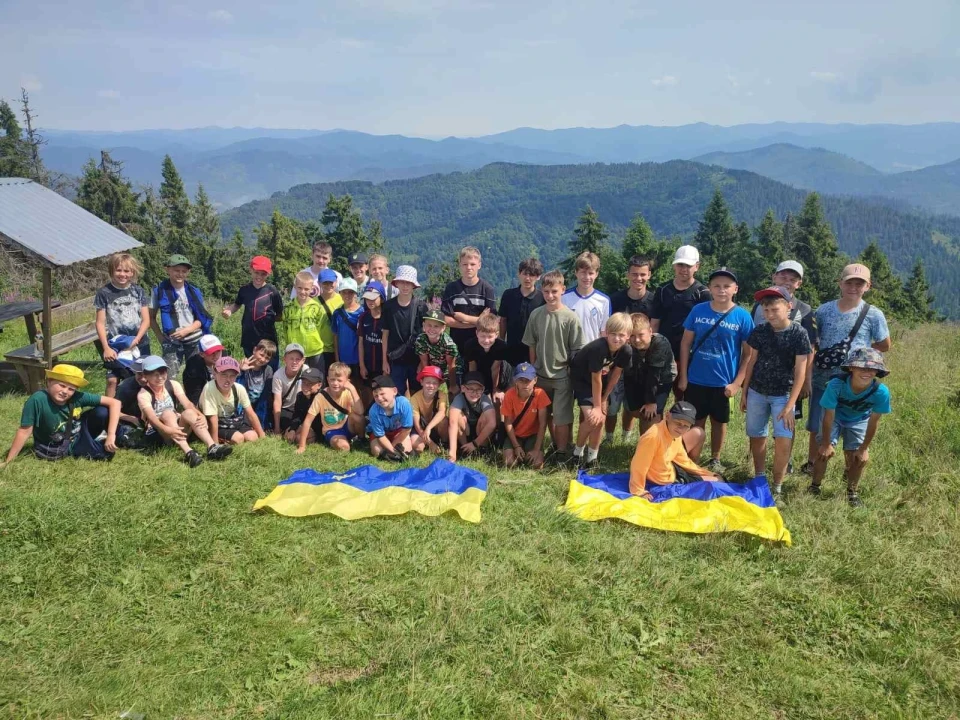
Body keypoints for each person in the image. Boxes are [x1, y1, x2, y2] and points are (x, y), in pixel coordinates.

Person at [805, 263, 891, 474]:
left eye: (859, 283)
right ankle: (813, 465)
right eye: (849, 282)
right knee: (818, 422)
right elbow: (814, 343)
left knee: (853, 423)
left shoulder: (873, 314)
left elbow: (885, 344)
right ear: (840, 283)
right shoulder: (823, 310)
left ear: (868, 286)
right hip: (822, 377)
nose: (853, 287)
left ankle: (849, 470)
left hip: (855, 381)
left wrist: (861, 355)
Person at [677, 268, 754, 470]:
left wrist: (737, 383)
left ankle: (715, 459)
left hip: (724, 382)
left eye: (726, 286)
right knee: (695, 421)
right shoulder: (698, 311)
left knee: (719, 422)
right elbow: (685, 344)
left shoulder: (742, 317)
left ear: (735, 289)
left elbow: (748, 354)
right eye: (717, 286)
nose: (721, 290)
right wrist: (683, 376)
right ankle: (691, 459)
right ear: (709, 288)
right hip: (696, 378)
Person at [739, 286, 812, 497]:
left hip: (784, 395)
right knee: (757, 435)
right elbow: (751, 361)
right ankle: (760, 477)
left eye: (774, 309)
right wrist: (744, 392)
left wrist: (790, 406)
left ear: (788, 307)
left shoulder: (799, 333)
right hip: (756, 392)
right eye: (766, 310)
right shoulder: (760, 330)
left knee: (783, 439)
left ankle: (777, 485)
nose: (770, 314)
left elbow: (800, 372)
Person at [749, 260, 818, 473]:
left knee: (788, 422)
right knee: (758, 426)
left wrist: (806, 380)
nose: (787, 282)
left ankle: (785, 463)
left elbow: (811, 348)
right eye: (783, 277)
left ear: (799, 283)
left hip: (790, 381)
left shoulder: (806, 310)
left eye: (792, 279)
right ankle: (759, 465)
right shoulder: (758, 306)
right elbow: (754, 344)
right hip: (761, 380)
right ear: (774, 277)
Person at [811, 348, 892, 507]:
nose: (866, 372)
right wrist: (827, 444)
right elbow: (828, 415)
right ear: (851, 368)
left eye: (871, 368)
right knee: (823, 453)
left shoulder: (881, 392)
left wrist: (864, 448)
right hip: (835, 417)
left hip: (859, 419)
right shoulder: (836, 384)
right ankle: (814, 486)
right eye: (861, 367)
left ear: (877, 371)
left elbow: (874, 421)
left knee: (857, 457)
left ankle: (852, 492)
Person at [522, 269, 585, 465]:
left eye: (554, 291)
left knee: (562, 416)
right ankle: (553, 443)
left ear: (563, 290)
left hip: (562, 376)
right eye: (547, 291)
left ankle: (561, 452)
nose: (550, 296)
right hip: (540, 374)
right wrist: (533, 368)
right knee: (544, 413)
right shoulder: (536, 315)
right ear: (542, 291)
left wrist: (569, 370)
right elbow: (531, 343)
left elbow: (577, 349)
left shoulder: (570, 317)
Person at [2, 364, 119, 466]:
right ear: (49, 382)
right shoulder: (37, 400)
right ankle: (100, 440)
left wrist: (111, 434)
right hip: (60, 445)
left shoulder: (76, 397)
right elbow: (24, 431)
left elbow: (115, 403)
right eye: (61, 385)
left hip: (78, 433)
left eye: (71, 389)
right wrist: (8, 461)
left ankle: (114, 434)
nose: (65, 391)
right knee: (106, 454)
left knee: (102, 411)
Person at [136, 355, 232, 466]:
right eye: (154, 375)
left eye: (162, 373)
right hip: (158, 431)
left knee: (189, 412)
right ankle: (189, 453)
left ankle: (212, 447)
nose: (160, 378)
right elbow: (152, 418)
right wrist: (167, 430)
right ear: (146, 376)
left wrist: (200, 415)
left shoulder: (173, 384)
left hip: (176, 428)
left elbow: (187, 404)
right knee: (168, 414)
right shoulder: (143, 394)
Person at [569, 312, 633, 468]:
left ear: (628, 337)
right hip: (582, 380)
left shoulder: (626, 351)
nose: (616, 338)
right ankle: (577, 454)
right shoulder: (599, 348)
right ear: (606, 333)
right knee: (593, 417)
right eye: (613, 334)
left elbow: (616, 374)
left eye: (621, 335)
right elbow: (595, 379)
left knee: (601, 419)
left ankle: (592, 458)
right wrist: (597, 406)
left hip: (601, 381)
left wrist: (604, 399)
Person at [605, 255, 656, 441]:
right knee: (612, 401)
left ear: (649, 275)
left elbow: (655, 331)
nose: (638, 278)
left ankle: (626, 436)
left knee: (632, 402)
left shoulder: (654, 300)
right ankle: (608, 437)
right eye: (634, 274)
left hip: (642, 360)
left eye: (643, 274)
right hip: (617, 358)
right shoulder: (616, 299)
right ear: (628, 275)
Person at [628, 401, 720, 498]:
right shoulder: (653, 436)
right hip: (663, 480)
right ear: (667, 416)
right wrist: (639, 491)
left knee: (717, 479)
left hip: (672, 470)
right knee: (717, 483)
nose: (681, 428)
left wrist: (710, 473)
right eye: (678, 423)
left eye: (686, 426)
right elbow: (639, 465)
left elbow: (684, 460)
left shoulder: (675, 433)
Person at [94, 252, 151, 397]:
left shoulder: (138, 291)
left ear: (133, 272)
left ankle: (140, 409)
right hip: (115, 343)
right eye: (118, 270)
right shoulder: (104, 293)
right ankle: (108, 410)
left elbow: (146, 320)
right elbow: (100, 323)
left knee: (142, 378)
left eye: (127, 271)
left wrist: (136, 340)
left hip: (140, 341)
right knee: (112, 380)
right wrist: (106, 347)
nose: (122, 274)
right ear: (111, 270)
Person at [149, 254, 213, 377]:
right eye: (176, 270)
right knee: (168, 375)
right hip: (171, 340)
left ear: (188, 272)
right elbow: (151, 317)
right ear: (167, 269)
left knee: (196, 374)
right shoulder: (159, 290)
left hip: (194, 338)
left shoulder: (194, 291)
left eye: (184, 271)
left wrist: (188, 330)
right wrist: (160, 337)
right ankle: (171, 395)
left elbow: (201, 318)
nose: (180, 274)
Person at [649, 245, 711, 368]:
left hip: (691, 353)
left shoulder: (703, 293)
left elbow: (706, 327)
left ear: (697, 266)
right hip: (663, 350)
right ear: (674, 266)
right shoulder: (662, 290)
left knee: (684, 387)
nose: (683, 269)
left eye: (688, 265)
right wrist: (652, 347)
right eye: (680, 265)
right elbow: (655, 323)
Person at [618, 313, 676, 437]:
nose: (637, 340)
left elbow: (653, 375)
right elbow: (628, 374)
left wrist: (651, 402)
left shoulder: (660, 343)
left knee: (649, 414)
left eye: (641, 335)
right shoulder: (627, 346)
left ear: (650, 331)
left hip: (661, 379)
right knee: (633, 410)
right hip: (637, 376)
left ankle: (649, 445)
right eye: (632, 336)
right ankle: (626, 435)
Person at [221, 255, 283, 367]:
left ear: (268, 274)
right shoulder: (244, 290)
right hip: (249, 338)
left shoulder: (272, 291)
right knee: (252, 370)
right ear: (251, 270)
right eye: (256, 272)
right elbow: (237, 304)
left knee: (271, 371)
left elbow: (280, 314)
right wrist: (229, 311)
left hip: (268, 340)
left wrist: (269, 321)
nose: (259, 276)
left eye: (263, 274)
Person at [296, 363, 365, 453]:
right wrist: (302, 446)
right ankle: (344, 441)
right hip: (332, 430)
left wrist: (352, 389)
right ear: (328, 380)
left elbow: (360, 412)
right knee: (344, 447)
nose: (335, 383)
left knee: (359, 418)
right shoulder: (320, 396)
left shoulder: (348, 392)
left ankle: (361, 439)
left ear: (347, 381)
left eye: (339, 380)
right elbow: (308, 421)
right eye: (332, 380)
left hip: (347, 425)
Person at [442, 246, 497, 354]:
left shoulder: (487, 289)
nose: (469, 267)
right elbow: (446, 319)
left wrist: (464, 318)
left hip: (481, 345)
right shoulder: (451, 288)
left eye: (472, 264)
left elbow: (492, 322)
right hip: (456, 345)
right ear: (459, 265)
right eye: (465, 264)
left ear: (479, 265)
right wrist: (478, 321)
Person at [382, 265, 427, 396]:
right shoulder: (388, 306)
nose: (405, 286)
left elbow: (425, 336)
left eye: (409, 283)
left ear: (414, 285)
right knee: (397, 394)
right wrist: (384, 361)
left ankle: (416, 417)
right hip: (395, 359)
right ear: (397, 283)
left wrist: (422, 362)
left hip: (416, 359)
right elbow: (385, 335)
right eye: (402, 282)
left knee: (417, 393)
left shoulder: (421, 306)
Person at [200, 356, 265, 445]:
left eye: (232, 376)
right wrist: (215, 444)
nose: (228, 380)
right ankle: (218, 440)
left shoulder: (239, 388)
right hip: (218, 423)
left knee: (253, 437)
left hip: (233, 420)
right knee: (238, 439)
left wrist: (262, 436)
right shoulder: (209, 388)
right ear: (215, 374)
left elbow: (250, 413)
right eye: (224, 375)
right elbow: (213, 419)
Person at [501, 362, 551, 469]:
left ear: (535, 380)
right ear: (515, 381)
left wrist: (536, 449)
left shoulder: (540, 394)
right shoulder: (509, 395)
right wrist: (516, 446)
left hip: (533, 434)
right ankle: (517, 450)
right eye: (521, 380)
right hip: (515, 434)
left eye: (528, 380)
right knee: (509, 463)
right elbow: (508, 422)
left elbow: (543, 424)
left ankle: (530, 451)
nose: (525, 384)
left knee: (537, 464)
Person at [498, 258, 545, 368]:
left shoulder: (542, 298)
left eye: (532, 275)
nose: (527, 278)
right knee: (511, 382)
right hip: (512, 347)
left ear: (538, 277)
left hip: (534, 349)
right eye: (524, 274)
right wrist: (501, 341)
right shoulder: (508, 295)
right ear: (519, 274)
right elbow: (503, 319)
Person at [562, 251, 611, 344]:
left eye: (591, 273)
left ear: (596, 274)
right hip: (570, 354)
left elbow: (604, 332)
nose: (587, 277)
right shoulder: (564, 298)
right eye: (583, 272)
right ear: (576, 273)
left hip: (594, 353)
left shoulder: (604, 301)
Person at [447, 371, 497, 462]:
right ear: (463, 388)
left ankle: (482, 449)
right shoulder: (459, 398)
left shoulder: (485, 399)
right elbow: (452, 422)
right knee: (458, 417)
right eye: (470, 389)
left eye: (478, 389)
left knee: (487, 417)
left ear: (483, 390)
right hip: (466, 430)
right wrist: (452, 451)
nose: (474, 393)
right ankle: (464, 449)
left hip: (480, 432)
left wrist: (475, 444)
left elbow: (492, 423)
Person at [366, 375, 415, 461]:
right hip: (381, 434)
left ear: (394, 391)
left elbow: (407, 429)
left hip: (399, 431)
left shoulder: (404, 403)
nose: (379, 398)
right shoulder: (373, 411)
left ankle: (392, 452)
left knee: (406, 450)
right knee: (376, 451)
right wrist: (393, 451)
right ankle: (388, 453)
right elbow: (380, 435)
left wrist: (392, 447)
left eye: (382, 394)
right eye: (376, 396)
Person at [283, 271, 325, 371]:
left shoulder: (317, 307)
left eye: (306, 289)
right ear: (295, 287)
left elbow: (321, 327)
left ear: (312, 289)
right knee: (298, 382)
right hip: (296, 352)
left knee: (317, 381)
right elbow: (285, 329)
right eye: (300, 288)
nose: (303, 292)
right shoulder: (288, 308)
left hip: (315, 351)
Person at [462, 311, 508, 402]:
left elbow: (495, 369)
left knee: (504, 367)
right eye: (483, 336)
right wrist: (474, 387)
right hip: (479, 366)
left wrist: (494, 389)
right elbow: (472, 367)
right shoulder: (470, 345)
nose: (486, 340)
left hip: (497, 369)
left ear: (496, 334)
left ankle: (499, 388)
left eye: (490, 336)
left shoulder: (501, 346)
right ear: (477, 333)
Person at [415, 308, 461, 394]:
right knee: (420, 372)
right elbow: (424, 362)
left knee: (454, 391)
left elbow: (451, 365)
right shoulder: (420, 340)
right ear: (424, 326)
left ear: (443, 328)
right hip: (433, 365)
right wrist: (427, 380)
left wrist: (453, 385)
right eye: (429, 325)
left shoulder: (449, 344)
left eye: (436, 326)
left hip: (450, 369)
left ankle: (453, 400)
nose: (432, 329)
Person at [357, 280, 386, 408]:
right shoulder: (363, 317)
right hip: (368, 364)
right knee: (368, 390)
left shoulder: (388, 317)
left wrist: (387, 363)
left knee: (383, 392)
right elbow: (361, 342)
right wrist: (362, 365)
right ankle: (368, 417)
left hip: (383, 364)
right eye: (368, 298)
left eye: (374, 298)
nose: (370, 301)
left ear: (382, 298)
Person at [238, 340, 276, 431]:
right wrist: (242, 371)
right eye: (261, 355)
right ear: (255, 350)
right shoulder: (244, 365)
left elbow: (265, 397)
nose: (263, 359)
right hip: (243, 406)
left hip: (258, 404)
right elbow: (237, 388)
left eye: (267, 358)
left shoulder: (268, 370)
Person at [411, 366, 449, 455]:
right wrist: (431, 444)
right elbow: (417, 425)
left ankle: (444, 444)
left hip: (433, 426)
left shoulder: (442, 395)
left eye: (435, 383)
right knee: (418, 446)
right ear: (421, 382)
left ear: (439, 384)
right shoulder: (414, 398)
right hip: (421, 427)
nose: (431, 386)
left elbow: (442, 412)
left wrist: (428, 428)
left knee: (445, 421)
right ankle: (429, 443)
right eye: (428, 382)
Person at [332, 278, 364, 384]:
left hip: (358, 359)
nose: (347, 295)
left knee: (361, 387)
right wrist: (337, 359)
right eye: (344, 292)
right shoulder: (337, 313)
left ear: (355, 293)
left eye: (350, 292)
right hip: (343, 359)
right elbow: (335, 337)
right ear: (340, 293)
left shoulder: (363, 313)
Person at [284, 367, 324, 444]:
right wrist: (293, 429)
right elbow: (297, 415)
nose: (305, 386)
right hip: (305, 425)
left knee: (299, 438)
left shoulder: (322, 397)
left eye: (310, 384)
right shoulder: (300, 396)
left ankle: (315, 438)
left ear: (319, 385)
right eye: (303, 382)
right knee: (288, 434)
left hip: (319, 428)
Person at [272, 343, 306, 435]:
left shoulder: (306, 371)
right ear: (284, 360)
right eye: (291, 358)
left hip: (301, 408)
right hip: (286, 409)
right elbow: (277, 401)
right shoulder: (278, 375)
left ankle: (298, 430)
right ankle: (290, 430)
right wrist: (277, 428)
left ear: (303, 360)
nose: (294, 362)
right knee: (286, 422)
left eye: (298, 359)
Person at [315, 268, 344, 372]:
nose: (328, 286)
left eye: (331, 283)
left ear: (336, 282)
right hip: (321, 349)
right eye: (325, 283)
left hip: (340, 347)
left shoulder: (342, 299)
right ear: (319, 283)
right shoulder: (313, 302)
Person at [183, 334, 224, 406]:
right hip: (203, 401)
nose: (216, 355)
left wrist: (240, 370)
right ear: (202, 354)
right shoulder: (194, 371)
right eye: (211, 353)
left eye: (218, 351)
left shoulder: (223, 358)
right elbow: (195, 399)